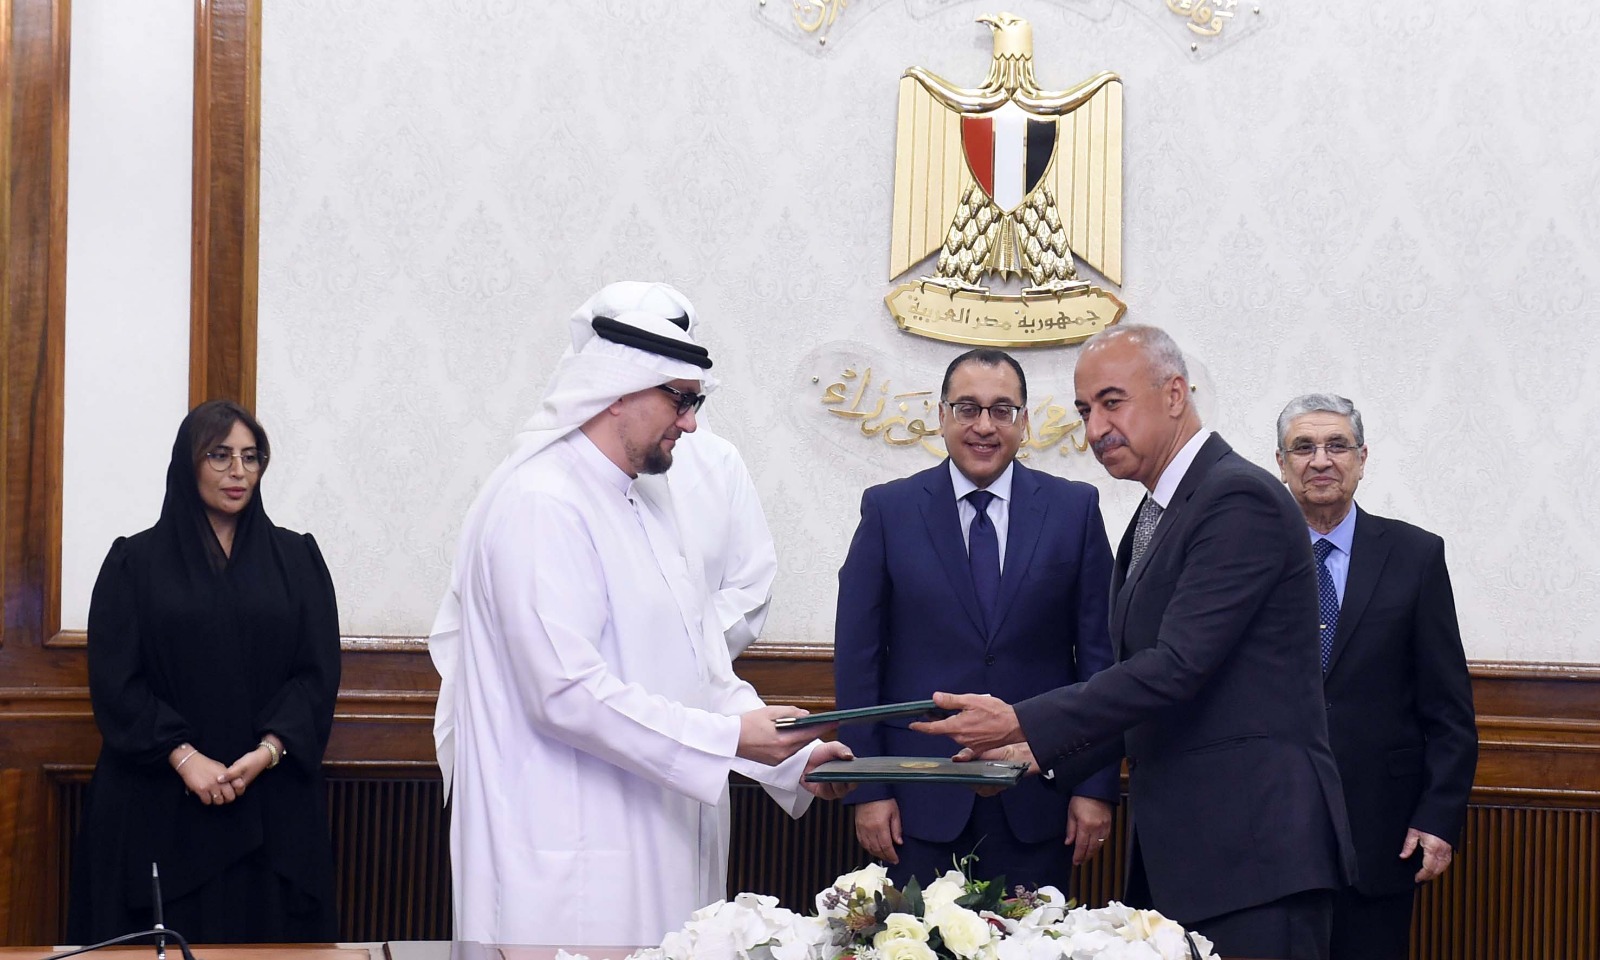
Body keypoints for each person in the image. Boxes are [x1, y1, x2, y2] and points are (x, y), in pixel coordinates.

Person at [915, 325, 1356, 960]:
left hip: (1256, 858)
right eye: (1084, 411)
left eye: (1112, 402)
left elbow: (1176, 668)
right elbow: (1155, 687)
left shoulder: (1238, 497)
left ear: (1174, 394)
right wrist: (1031, 755)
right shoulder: (1156, 512)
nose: (1096, 429)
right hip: (1197, 855)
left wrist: (1022, 720)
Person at [427, 290, 852, 947]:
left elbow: (700, 667)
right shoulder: (541, 502)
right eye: (680, 401)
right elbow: (564, 694)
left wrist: (797, 758)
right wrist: (731, 740)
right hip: (568, 854)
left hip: (653, 840)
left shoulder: (647, 503)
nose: (690, 424)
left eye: (695, 404)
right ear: (616, 392)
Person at [833, 348, 1118, 891]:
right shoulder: (889, 510)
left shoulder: (1074, 509)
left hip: (1040, 797)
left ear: (1024, 421)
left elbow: (1100, 661)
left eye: (1002, 410)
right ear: (942, 416)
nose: (984, 426)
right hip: (914, 803)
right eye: (967, 408)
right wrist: (868, 787)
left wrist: (1094, 785)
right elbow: (858, 658)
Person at [68, 400, 342, 944]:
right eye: (219, 455)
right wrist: (185, 757)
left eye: (250, 456)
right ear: (187, 462)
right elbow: (117, 683)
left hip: (269, 804)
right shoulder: (134, 563)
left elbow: (316, 675)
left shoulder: (297, 560)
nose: (238, 471)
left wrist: (267, 752)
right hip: (159, 805)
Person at [1275, 393, 1477, 960]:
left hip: (1380, 834)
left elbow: (1449, 710)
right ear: (1281, 464)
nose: (1321, 460)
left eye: (1337, 445)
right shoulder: (1248, 554)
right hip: (1269, 832)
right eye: (1304, 447)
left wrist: (1438, 818)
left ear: (1362, 459)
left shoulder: (1415, 555)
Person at [566, 282, 778, 658]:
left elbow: (751, 586)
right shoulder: (547, 482)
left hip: (700, 680)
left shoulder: (718, 461)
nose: (687, 422)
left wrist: (679, 654)